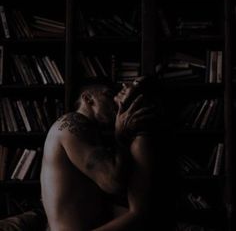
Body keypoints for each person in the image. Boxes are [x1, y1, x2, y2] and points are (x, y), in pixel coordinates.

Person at [40, 76, 158, 231]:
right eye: (108, 95)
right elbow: (112, 183)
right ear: (88, 99)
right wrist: (120, 137)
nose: (115, 102)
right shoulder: (72, 123)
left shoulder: (92, 134)